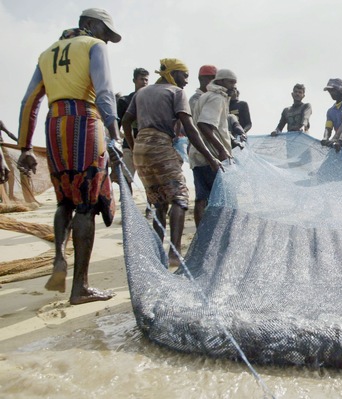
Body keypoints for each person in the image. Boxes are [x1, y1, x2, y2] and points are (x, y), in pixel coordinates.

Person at [16, 8, 123, 304]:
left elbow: (29, 102)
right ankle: (81, 288)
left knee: (65, 199)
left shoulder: (46, 53)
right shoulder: (93, 46)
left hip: (55, 124)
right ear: (89, 25)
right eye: (105, 32)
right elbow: (104, 92)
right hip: (85, 122)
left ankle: (60, 259)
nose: (107, 41)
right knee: (86, 205)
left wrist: (25, 145)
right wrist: (115, 135)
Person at [121, 58, 226, 266]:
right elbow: (189, 127)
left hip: (141, 146)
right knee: (179, 198)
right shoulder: (176, 92)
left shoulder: (142, 92)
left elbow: (125, 121)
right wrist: (211, 157)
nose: (186, 81)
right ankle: (174, 253)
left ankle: (157, 252)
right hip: (161, 144)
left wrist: (134, 148)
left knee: (159, 202)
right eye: (184, 75)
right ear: (173, 73)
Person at [189, 68, 238, 227]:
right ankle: (221, 234)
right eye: (231, 82)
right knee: (225, 199)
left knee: (201, 198)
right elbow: (205, 125)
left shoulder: (204, 96)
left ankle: (201, 236)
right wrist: (221, 150)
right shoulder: (217, 98)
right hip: (213, 157)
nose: (233, 86)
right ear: (221, 81)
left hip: (198, 154)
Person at [116, 67, 150, 192]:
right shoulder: (125, 101)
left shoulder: (150, 100)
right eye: (141, 79)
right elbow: (118, 124)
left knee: (149, 179)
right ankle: (128, 203)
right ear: (134, 80)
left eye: (146, 80)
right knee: (126, 177)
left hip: (146, 144)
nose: (144, 82)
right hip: (128, 145)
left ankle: (149, 208)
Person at [320, 78, 342, 146]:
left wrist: (334, 139)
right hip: (338, 145)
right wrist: (325, 138)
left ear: (340, 90)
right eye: (329, 91)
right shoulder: (331, 111)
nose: (331, 93)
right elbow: (328, 128)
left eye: (333, 90)